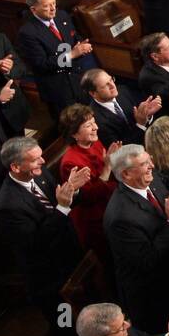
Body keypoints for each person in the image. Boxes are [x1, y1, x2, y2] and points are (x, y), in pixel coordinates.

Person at [102, 143, 169, 333]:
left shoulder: (151, 180)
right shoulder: (120, 218)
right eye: (144, 163)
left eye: (149, 161)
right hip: (154, 296)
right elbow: (148, 260)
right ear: (126, 175)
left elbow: (168, 218)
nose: (152, 167)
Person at [0, 136, 86, 324]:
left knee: (89, 316)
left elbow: (62, 203)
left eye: (41, 156)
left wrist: (72, 190)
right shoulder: (7, 206)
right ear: (15, 167)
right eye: (35, 159)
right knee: (67, 327)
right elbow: (36, 243)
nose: (43, 162)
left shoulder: (40, 174)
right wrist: (62, 207)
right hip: (51, 281)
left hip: (72, 261)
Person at [56, 104, 118, 260]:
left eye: (94, 122)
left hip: (111, 200)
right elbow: (89, 197)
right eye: (88, 125)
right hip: (97, 219)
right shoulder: (70, 162)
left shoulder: (94, 142)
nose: (95, 127)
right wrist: (108, 168)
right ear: (75, 134)